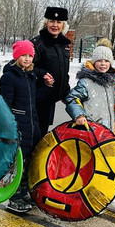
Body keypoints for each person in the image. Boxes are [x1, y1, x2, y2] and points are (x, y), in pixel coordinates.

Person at [64, 38, 115, 216]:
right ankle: (92, 200)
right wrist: (79, 114)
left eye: (106, 61)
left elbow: (111, 105)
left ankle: (113, 198)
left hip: (111, 132)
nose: (103, 64)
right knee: (93, 167)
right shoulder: (86, 82)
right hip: (93, 133)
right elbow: (72, 98)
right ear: (94, 62)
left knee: (114, 165)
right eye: (100, 61)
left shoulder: (111, 82)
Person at [0, 40, 43, 214]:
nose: (27, 58)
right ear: (16, 56)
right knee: (17, 165)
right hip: (18, 127)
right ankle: (14, 198)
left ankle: (23, 192)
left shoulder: (30, 76)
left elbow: (33, 103)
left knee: (27, 162)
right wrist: (10, 127)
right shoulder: (9, 77)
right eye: (23, 55)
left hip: (31, 127)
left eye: (30, 55)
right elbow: (5, 105)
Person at [32, 7, 70, 137]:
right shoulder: (38, 43)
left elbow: (64, 72)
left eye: (59, 22)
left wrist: (66, 91)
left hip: (52, 99)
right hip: (39, 98)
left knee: (44, 133)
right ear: (46, 23)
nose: (55, 25)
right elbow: (28, 67)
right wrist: (42, 74)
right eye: (52, 21)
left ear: (63, 25)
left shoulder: (64, 45)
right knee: (36, 133)